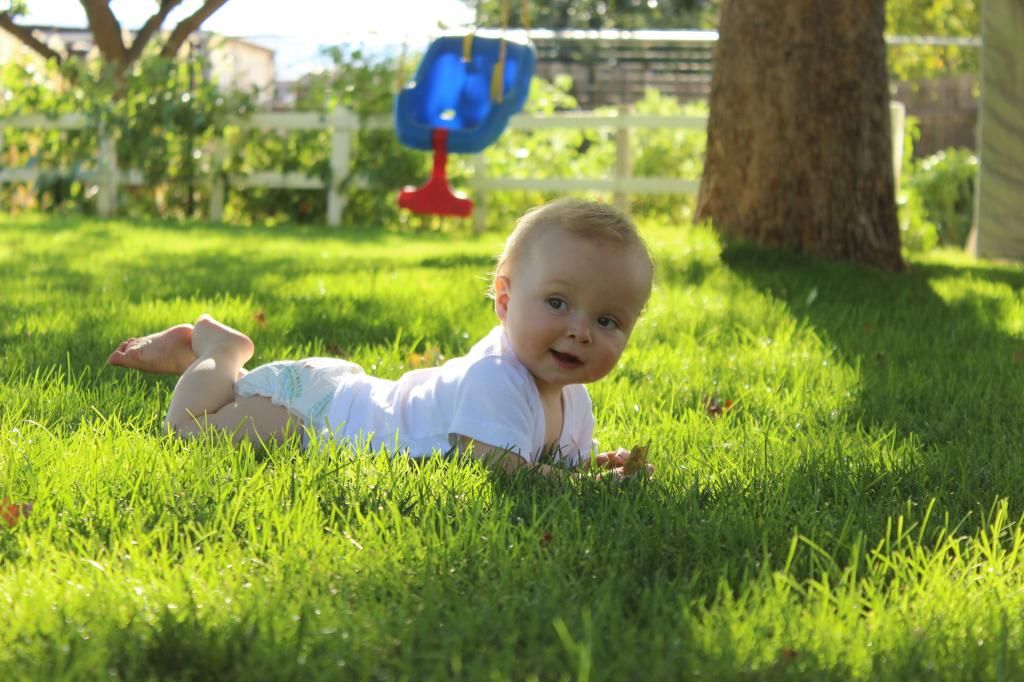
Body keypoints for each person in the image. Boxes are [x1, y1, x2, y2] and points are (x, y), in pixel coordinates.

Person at [108, 198, 654, 478]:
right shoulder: (496, 378)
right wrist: (577, 488)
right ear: (505, 300)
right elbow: (504, 470)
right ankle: (219, 352)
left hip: (354, 397)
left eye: (608, 321)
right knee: (189, 433)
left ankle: (228, 369)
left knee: (225, 413)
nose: (580, 331)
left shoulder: (573, 398)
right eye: (557, 303)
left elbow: (550, 464)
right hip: (314, 415)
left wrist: (600, 467)